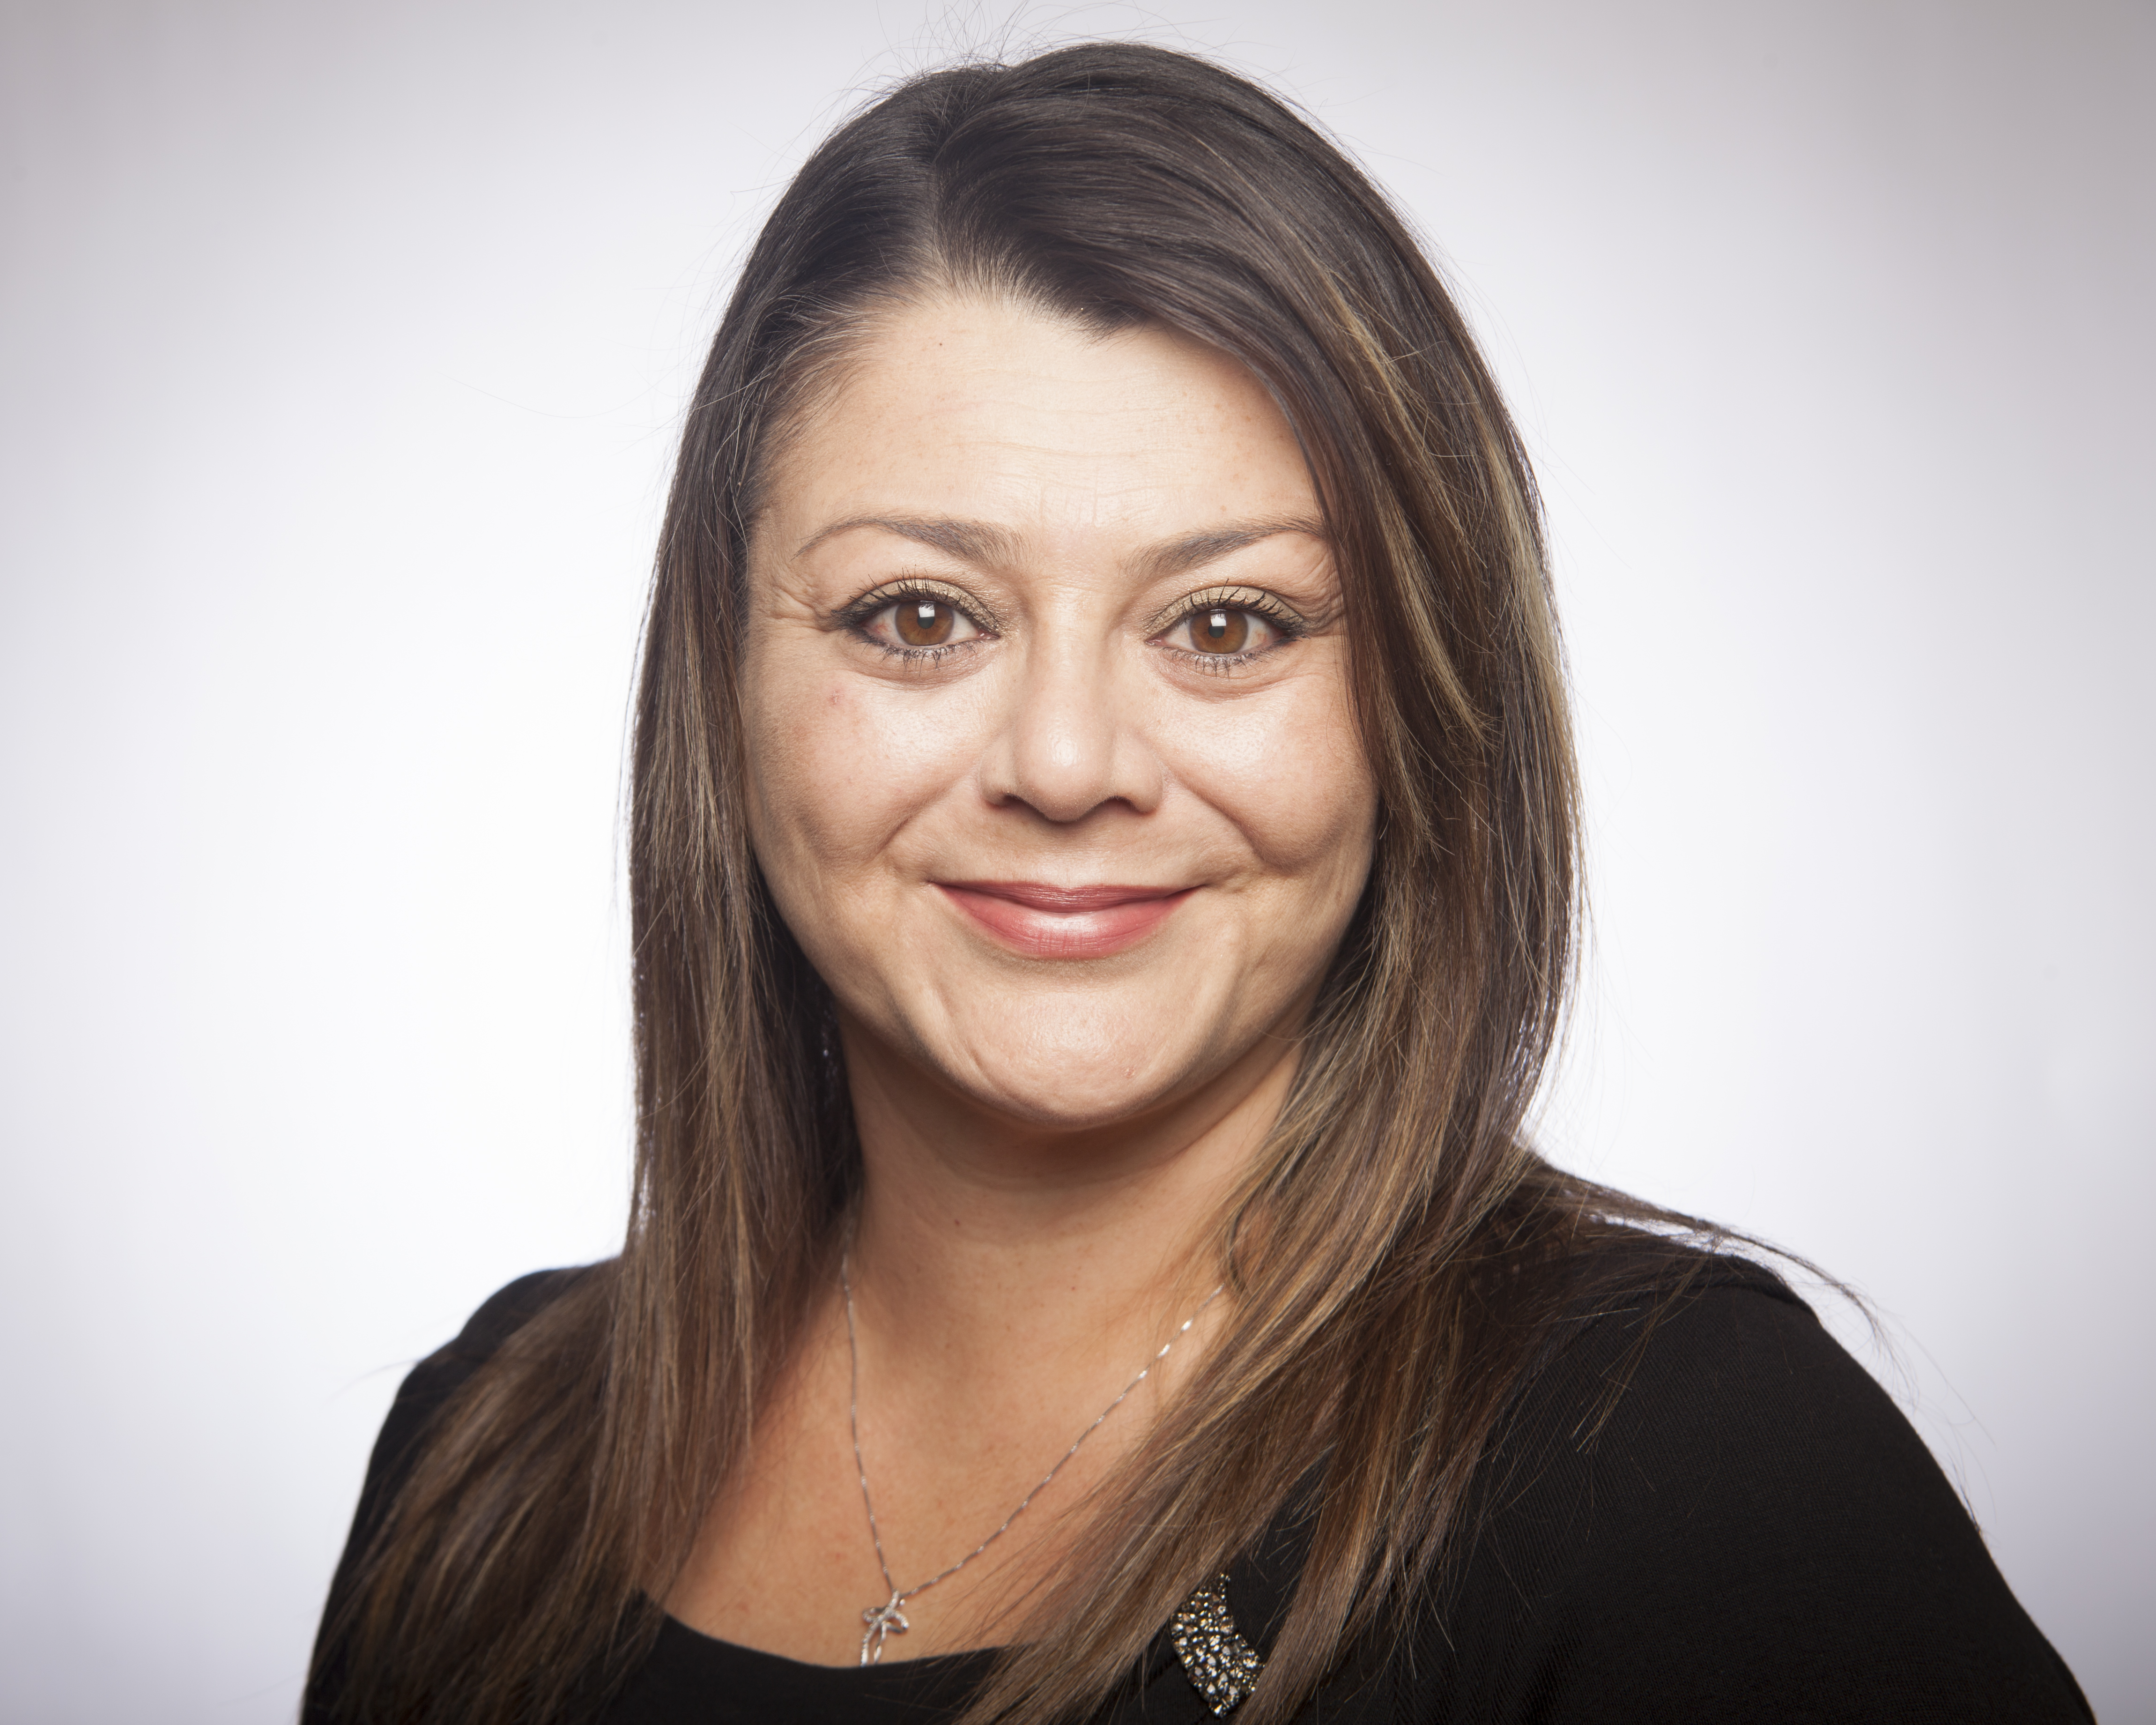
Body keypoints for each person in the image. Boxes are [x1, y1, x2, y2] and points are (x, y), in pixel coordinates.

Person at [303, 42, 2089, 1725]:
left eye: (1225, 626)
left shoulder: (1695, 1470)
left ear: (1420, 709)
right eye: (919, 618)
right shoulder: (488, 1456)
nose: (1068, 762)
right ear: (727, 689)